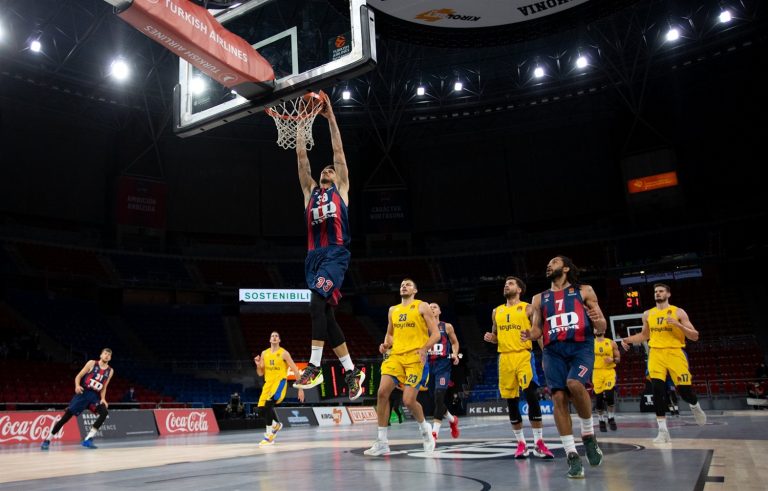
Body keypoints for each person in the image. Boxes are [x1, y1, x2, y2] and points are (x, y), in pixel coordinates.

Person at [292, 95, 364, 401]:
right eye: (325, 170)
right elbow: (300, 157)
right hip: (313, 258)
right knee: (326, 314)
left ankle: (314, 364)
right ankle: (351, 372)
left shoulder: (342, 189)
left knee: (314, 304)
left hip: (335, 253)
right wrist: (299, 123)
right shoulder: (309, 191)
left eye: (331, 170)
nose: (327, 170)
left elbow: (337, 151)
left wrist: (330, 117)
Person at [522, 256, 605, 479]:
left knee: (574, 383)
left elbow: (602, 325)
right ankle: (572, 455)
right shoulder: (539, 298)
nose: (549, 265)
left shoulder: (585, 291)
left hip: (580, 347)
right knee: (558, 397)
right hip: (553, 351)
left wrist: (597, 320)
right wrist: (530, 334)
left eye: (554, 262)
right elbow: (537, 330)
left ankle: (588, 435)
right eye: (548, 263)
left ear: (566, 268)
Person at [620, 283, 706, 443]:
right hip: (656, 354)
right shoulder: (647, 314)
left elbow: (695, 336)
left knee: (685, 391)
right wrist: (628, 340)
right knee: (657, 390)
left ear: (668, 294)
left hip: (675, 353)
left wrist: (678, 324)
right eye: (655, 292)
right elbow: (644, 335)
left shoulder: (678, 312)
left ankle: (694, 405)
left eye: (661, 291)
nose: (657, 293)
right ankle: (663, 431)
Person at [364, 278, 441, 456]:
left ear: (415, 290)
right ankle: (382, 442)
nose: (404, 286)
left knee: (408, 400)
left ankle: (425, 429)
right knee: (382, 393)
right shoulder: (393, 310)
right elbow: (390, 334)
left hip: (415, 358)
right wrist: (385, 345)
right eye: (401, 285)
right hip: (396, 357)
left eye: (408, 284)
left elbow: (436, 334)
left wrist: (424, 348)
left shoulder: (422, 306)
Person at [484, 276, 554, 459]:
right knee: (511, 402)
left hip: (523, 356)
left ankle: (539, 443)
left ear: (520, 289)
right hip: (505, 359)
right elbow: (496, 335)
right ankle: (521, 443)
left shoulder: (528, 308)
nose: (507, 285)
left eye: (511, 283)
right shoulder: (496, 311)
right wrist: (493, 339)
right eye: (506, 284)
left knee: (531, 395)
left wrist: (546, 355)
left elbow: (537, 334)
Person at [41, 348, 114, 450]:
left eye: (109, 355)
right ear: (101, 355)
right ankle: (47, 439)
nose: (107, 356)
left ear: (110, 358)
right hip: (83, 394)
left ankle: (88, 439)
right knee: (65, 418)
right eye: (105, 353)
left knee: (104, 412)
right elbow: (78, 376)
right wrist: (77, 386)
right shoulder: (92, 363)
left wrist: (103, 399)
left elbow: (104, 386)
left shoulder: (110, 371)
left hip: (94, 397)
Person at [255, 331, 305, 446]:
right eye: (272, 336)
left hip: (280, 382)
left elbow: (296, 370)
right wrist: (258, 364)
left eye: (276, 336)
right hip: (268, 384)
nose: (274, 337)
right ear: (270, 339)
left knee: (268, 404)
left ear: (279, 340)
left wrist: (300, 388)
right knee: (260, 410)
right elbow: (260, 374)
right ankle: (276, 425)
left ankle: (269, 436)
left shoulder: (284, 353)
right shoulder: (264, 353)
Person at [427, 302, 461, 442]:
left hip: (443, 365)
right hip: (428, 366)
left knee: (439, 396)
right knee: (436, 400)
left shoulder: (447, 326)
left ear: (440, 310)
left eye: (434, 306)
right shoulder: (423, 328)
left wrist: (455, 354)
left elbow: (454, 342)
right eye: (429, 307)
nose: (431, 308)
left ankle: (434, 433)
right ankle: (452, 420)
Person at [593, 330, 620, 432]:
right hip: (596, 372)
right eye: (595, 328)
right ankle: (601, 420)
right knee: (598, 400)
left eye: (598, 328)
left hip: (609, 371)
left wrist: (613, 360)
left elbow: (618, 358)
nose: (597, 330)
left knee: (609, 396)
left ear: (604, 330)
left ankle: (611, 418)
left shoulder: (611, 343)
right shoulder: (590, 343)